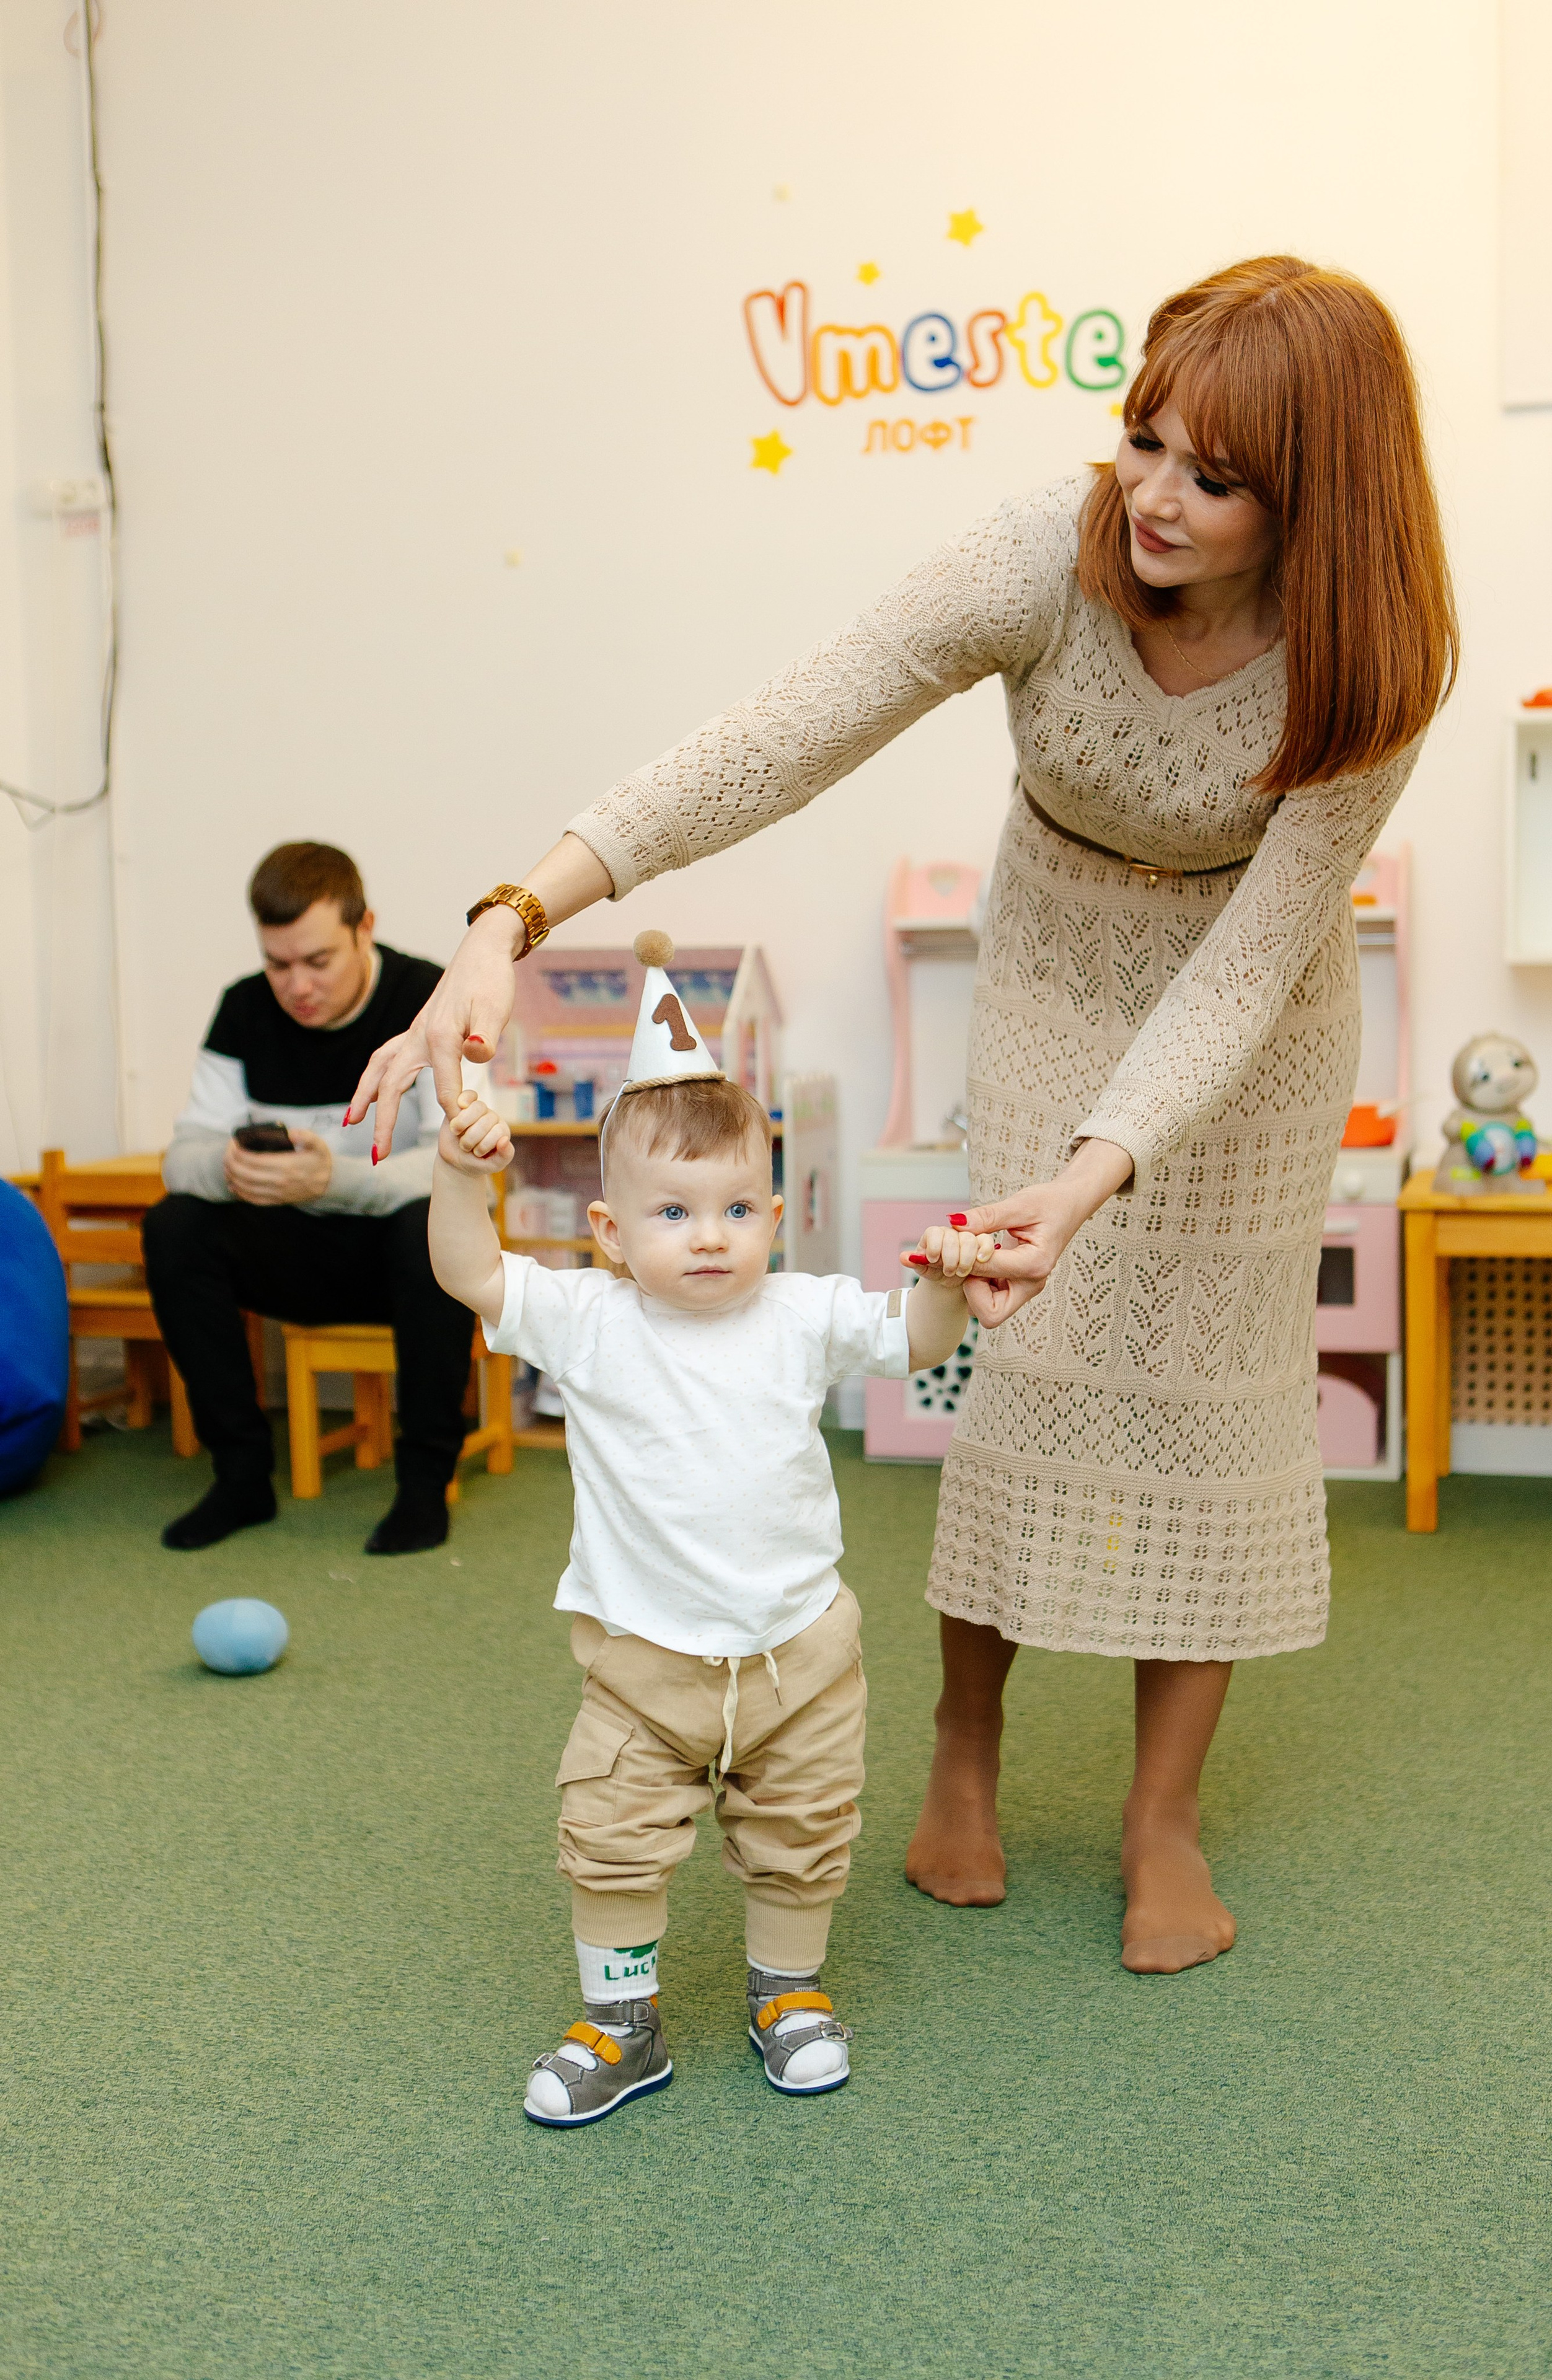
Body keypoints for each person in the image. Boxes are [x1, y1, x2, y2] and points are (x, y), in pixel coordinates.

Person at [351, 257, 1459, 1973]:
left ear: (1320, 500)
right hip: (1050, 969)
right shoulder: (1051, 552)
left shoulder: (1370, 665)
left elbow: (1245, 974)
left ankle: (1163, 1819)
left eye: (1217, 477)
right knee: (1022, 1353)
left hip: (1250, 1028)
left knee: (1214, 1397)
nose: (1154, 497)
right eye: (1143, 440)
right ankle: (967, 1746)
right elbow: (788, 729)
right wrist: (521, 909)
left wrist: (1100, 1171)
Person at [428, 937, 1003, 2124]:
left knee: (803, 1831)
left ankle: (788, 1996)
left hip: (799, 1652)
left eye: (738, 1208)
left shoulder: (799, 1312)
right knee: (612, 1835)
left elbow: (919, 1342)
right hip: (644, 1660)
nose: (708, 1235)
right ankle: (622, 2026)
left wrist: (945, 1273)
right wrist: (456, 1175)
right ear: (607, 1230)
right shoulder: (589, 1319)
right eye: (675, 1212)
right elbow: (471, 1276)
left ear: (776, 1217)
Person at [143, 842, 478, 1556]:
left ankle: (423, 1486)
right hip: (291, 1249)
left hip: (397, 1258)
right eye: (278, 964)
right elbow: (181, 1159)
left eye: (317, 961)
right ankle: (241, 1477)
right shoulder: (241, 1010)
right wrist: (232, 1167)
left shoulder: (427, 999)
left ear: (365, 928)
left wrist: (336, 1180)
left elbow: (460, 1159)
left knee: (429, 1227)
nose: (296, 985)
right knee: (175, 1226)